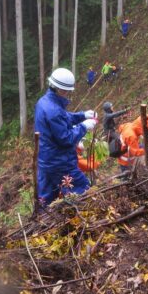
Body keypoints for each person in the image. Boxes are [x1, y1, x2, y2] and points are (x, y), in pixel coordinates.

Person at [33, 68, 98, 209]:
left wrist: (82, 115)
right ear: (61, 89)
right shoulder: (54, 110)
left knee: (45, 200)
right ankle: (83, 221)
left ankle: (42, 224)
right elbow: (66, 138)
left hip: (46, 161)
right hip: (60, 163)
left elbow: (64, 118)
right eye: (67, 91)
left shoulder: (44, 102)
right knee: (83, 190)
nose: (68, 94)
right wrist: (84, 127)